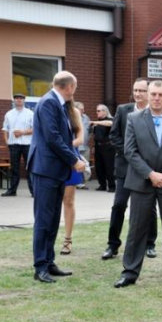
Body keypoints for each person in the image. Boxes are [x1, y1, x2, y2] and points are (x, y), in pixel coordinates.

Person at [114, 80, 162, 288]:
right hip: (141, 182)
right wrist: (150, 174)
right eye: (153, 94)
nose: (157, 98)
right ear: (147, 95)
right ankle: (129, 272)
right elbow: (129, 150)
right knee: (136, 228)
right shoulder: (133, 118)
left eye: (161, 95)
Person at [28, 71, 85, 283]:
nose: (74, 91)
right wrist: (74, 160)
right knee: (43, 219)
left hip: (55, 170)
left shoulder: (57, 103)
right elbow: (53, 138)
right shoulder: (49, 103)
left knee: (52, 219)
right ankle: (40, 266)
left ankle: (49, 261)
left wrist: (74, 159)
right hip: (45, 170)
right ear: (69, 87)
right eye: (75, 87)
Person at [103, 78, 158, 260]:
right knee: (119, 205)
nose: (138, 94)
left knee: (149, 207)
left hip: (147, 169)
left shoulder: (154, 113)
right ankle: (112, 245)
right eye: (135, 90)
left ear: (148, 93)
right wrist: (130, 154)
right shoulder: (123, 110)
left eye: (142, 91)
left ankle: (150, 244)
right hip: (125, 167)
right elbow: (114, 135)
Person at [60, 101, 87, 255]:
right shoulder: (48, 109)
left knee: (68, 200)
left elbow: (80, 139)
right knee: (51, 202)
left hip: (70, 159)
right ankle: (47, 239)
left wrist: (63, 149)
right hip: (52, 160)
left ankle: (67, 239)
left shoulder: (74, 112)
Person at [1, 93, 34, 197]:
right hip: (14, 144)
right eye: (17, 99)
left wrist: (22, 132)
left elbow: (35, 129)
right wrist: (6, 141)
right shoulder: (9, 114)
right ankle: (12, 191)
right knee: (14, 168)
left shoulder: (30, 113)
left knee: (30, 167)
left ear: (24, 100)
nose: (19, 100)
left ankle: (34, 191)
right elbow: (5, 128)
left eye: (21, 99)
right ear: (14, 101)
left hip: (27, 144)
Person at [91, 104, 115, 192]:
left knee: (109, 167)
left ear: (105, 111)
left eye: (98, 111)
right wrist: (94, 146)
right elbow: (96, 135)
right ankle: (102, 185)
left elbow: (110, 124)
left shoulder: (110, 119)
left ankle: (112, 186)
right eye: (96, 111)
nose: (97, 112)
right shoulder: (98, 122)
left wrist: (96, 123)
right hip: (98, 146)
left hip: (108, 146)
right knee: (99, 167)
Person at [73, 101, 91, 190]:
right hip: (75, 146)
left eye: (83, 109)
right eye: (81, 109)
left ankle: (82, 183)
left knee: (85, 165)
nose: (83, 111)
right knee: (75, 164)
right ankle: (75, 182)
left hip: (85, 146)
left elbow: (89, 131)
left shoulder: (86, 118)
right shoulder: (72, 118)